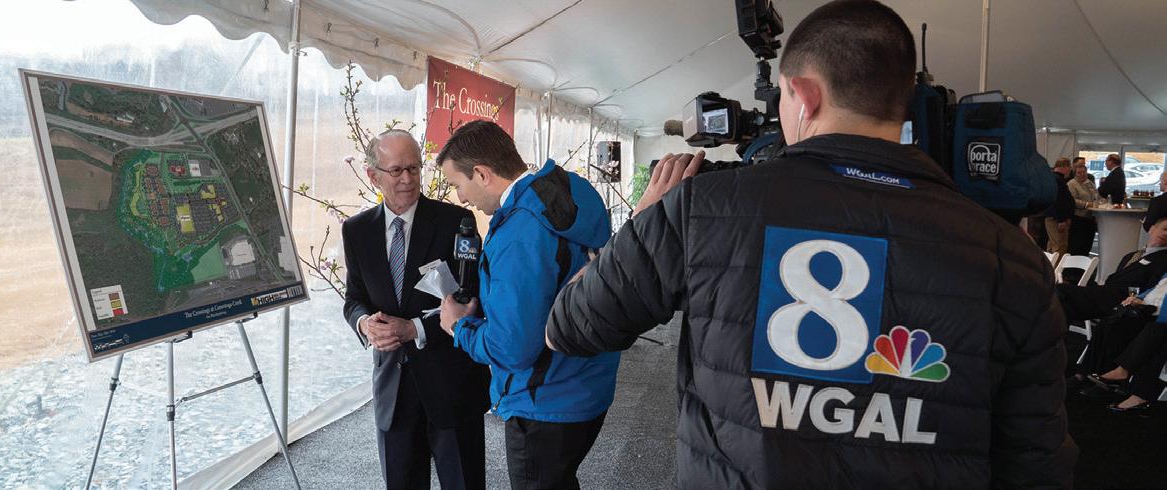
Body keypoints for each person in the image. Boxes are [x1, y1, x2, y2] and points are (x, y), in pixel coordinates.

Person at [545, 1, 1075, 488]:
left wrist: (644, 220)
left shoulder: (698, 210)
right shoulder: (1015, 261)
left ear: (803, 95)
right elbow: (1036, 466)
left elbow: (569, 326)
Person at [435, 120, 619, 490]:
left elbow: (512, 348)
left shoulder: (517, 234)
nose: (461, 198)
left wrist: (459, 327)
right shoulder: (573, 189)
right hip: (589, 381)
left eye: (458, 184)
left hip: (543, 401)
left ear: (482, 174)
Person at [341, 130, 490, 490]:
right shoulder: (357, 231)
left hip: (451, 383)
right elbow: (354, 298)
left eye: (413, 168)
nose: (407, 179)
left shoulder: (457, 222)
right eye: (396, 170)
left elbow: (473, 300)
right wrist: (364, 323)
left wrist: (414, 329)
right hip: (393, 389)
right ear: (372, 175)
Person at [1057, 217, 1167, 325]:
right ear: (1152, 229)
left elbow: (1153, 288)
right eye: (1165, 229)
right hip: (1104, 293)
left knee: (1060, 292)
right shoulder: (1130, 256)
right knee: (1061, 304)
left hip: (1122, 300)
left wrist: (1136, 299)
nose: (1166, 234)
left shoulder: (1163, 260)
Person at [1067, 163, 1101, 255]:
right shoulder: (1071, 184)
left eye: (1084, 172)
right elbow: (1072, 200)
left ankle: (1085, 263)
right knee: (1077, 246)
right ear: (1075, 174)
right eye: (1079, 173)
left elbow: (1097, 196)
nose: (1082, 174)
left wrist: (1101, 201)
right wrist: (1086, 204)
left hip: (1091, 218)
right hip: (1078, 218)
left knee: (1087, 245)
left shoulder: (1090, 183)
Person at [1044, 158, 1074, 255]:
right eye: (1069, 167)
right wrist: (1062, 220)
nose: (1070, 170)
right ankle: (1057, 265)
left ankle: (1049, 264)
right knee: (1060, 247)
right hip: (1056, 219)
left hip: (1052, 217)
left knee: (1052, 245)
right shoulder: (1058, 180)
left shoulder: (1052, 178)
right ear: (1064, 167)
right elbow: (1059, 201)